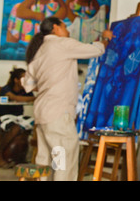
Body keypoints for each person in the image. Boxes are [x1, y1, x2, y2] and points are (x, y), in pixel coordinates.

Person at [22, 16, 113, 181]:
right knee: (63, 158)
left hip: (43, 112)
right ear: (55, 28)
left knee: (46, 159)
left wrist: (49, 83)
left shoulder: (41, 49)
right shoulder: (62, 44)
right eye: (64, 27)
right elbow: (97, 50)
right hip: (57, 113)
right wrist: (106, 38)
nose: (67, 31)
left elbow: (28, 84)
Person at [0, 68, 35, 168]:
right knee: (16, 127)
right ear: (16, 80)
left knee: (37, 123)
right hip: (5, 118)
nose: (26, 81)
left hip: (19, 117)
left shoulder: (26, 90)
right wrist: (35, 98)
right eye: (23, 78)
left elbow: (32, 98)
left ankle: (26, 157)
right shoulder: (6, 89)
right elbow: (14, 98)